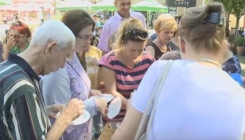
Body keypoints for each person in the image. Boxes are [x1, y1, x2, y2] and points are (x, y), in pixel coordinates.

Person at [112, 3, 245, 140]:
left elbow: (124, 136)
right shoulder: (241, 96)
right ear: (224, 46)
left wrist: (131, 109)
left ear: (181, 44)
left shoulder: (160, 70)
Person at [0, 20, 85, 140]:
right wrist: (65, 118)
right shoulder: (22, 86)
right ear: (50, 48)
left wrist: (42, 111)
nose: (63, 66)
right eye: (65, 56)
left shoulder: (7, 67)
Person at [41, 10, 107, 140]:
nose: (89, 42)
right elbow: (59, 114)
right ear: (69, 34)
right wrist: (94, 104)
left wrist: (90, 92)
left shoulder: (74, 55)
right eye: (86, 37)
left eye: (90, 36)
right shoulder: (58, 69)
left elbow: (74, 89)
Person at [98, 18, 154, 123]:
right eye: (132, 50)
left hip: (140, 119)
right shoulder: (109, 60)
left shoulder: (148, 59)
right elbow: (111, 91)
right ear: (123, 43)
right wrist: (132, 106)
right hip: (116, 118)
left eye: (140, 50)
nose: (136, 55)